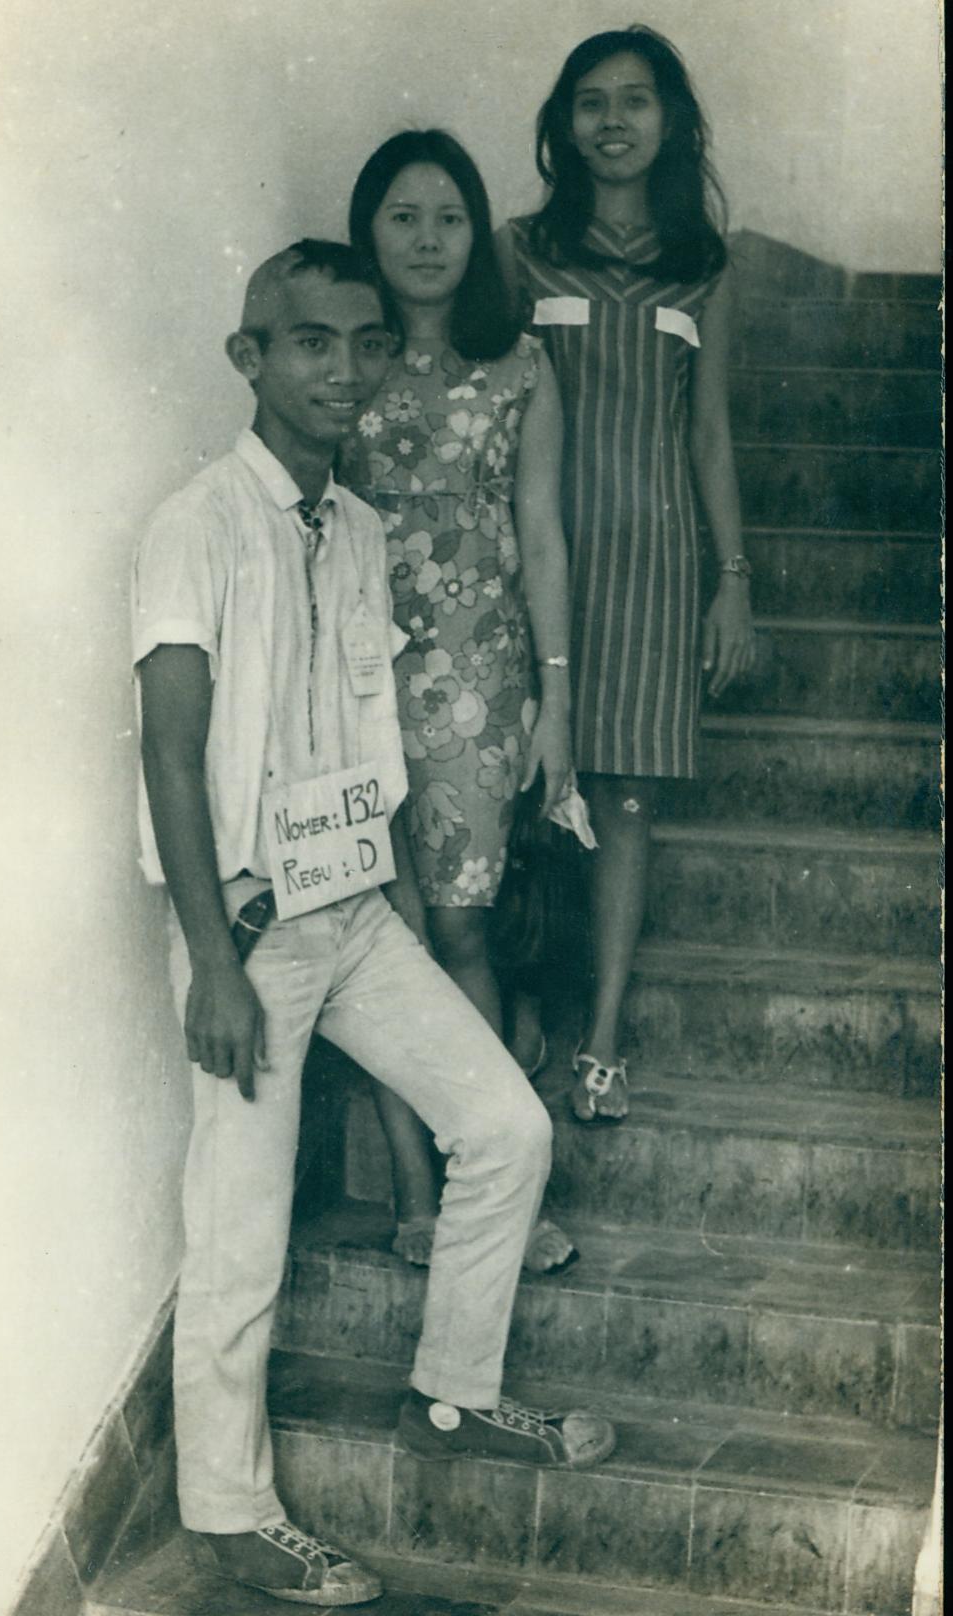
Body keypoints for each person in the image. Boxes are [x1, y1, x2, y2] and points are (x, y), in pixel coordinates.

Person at [132, 238, 614, 1608]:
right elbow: (170, 752)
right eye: (310, 342)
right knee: (240, 1227)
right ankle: (228, 1512)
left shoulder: (352, 528)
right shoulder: (195, 523)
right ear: (251, 357)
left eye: (364, 342)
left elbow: (363, 743)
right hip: (247, 936)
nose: (342, 368)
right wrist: (213, 965)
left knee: (507, 1126)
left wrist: (395, 914)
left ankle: (452, 1390)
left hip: (352, 912)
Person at [498, 27, 757, 1125]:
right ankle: (522, 1002)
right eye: (591, 101)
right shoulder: (519, 251)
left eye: (636, 100)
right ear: (564, 124)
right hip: (533, 556)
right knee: (526, 785)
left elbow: (709, 434)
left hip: (652, 560)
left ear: (671, 120)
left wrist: (732, 577)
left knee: (626, 797)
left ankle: (600, 1032)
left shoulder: (707, 265)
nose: (613, 120)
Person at [341, 130, 577, 1274]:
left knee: (462, 925)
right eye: (403, 216)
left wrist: (557, 703)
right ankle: (415, 1196)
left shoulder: (522, 365)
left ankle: (501, 1199)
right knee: (378, 934)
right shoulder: (347, 363)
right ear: (369, 231)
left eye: (448, 217)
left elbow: (543, 536)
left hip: (480, 682)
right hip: (351, 679)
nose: (427, 239)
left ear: (477, 235)